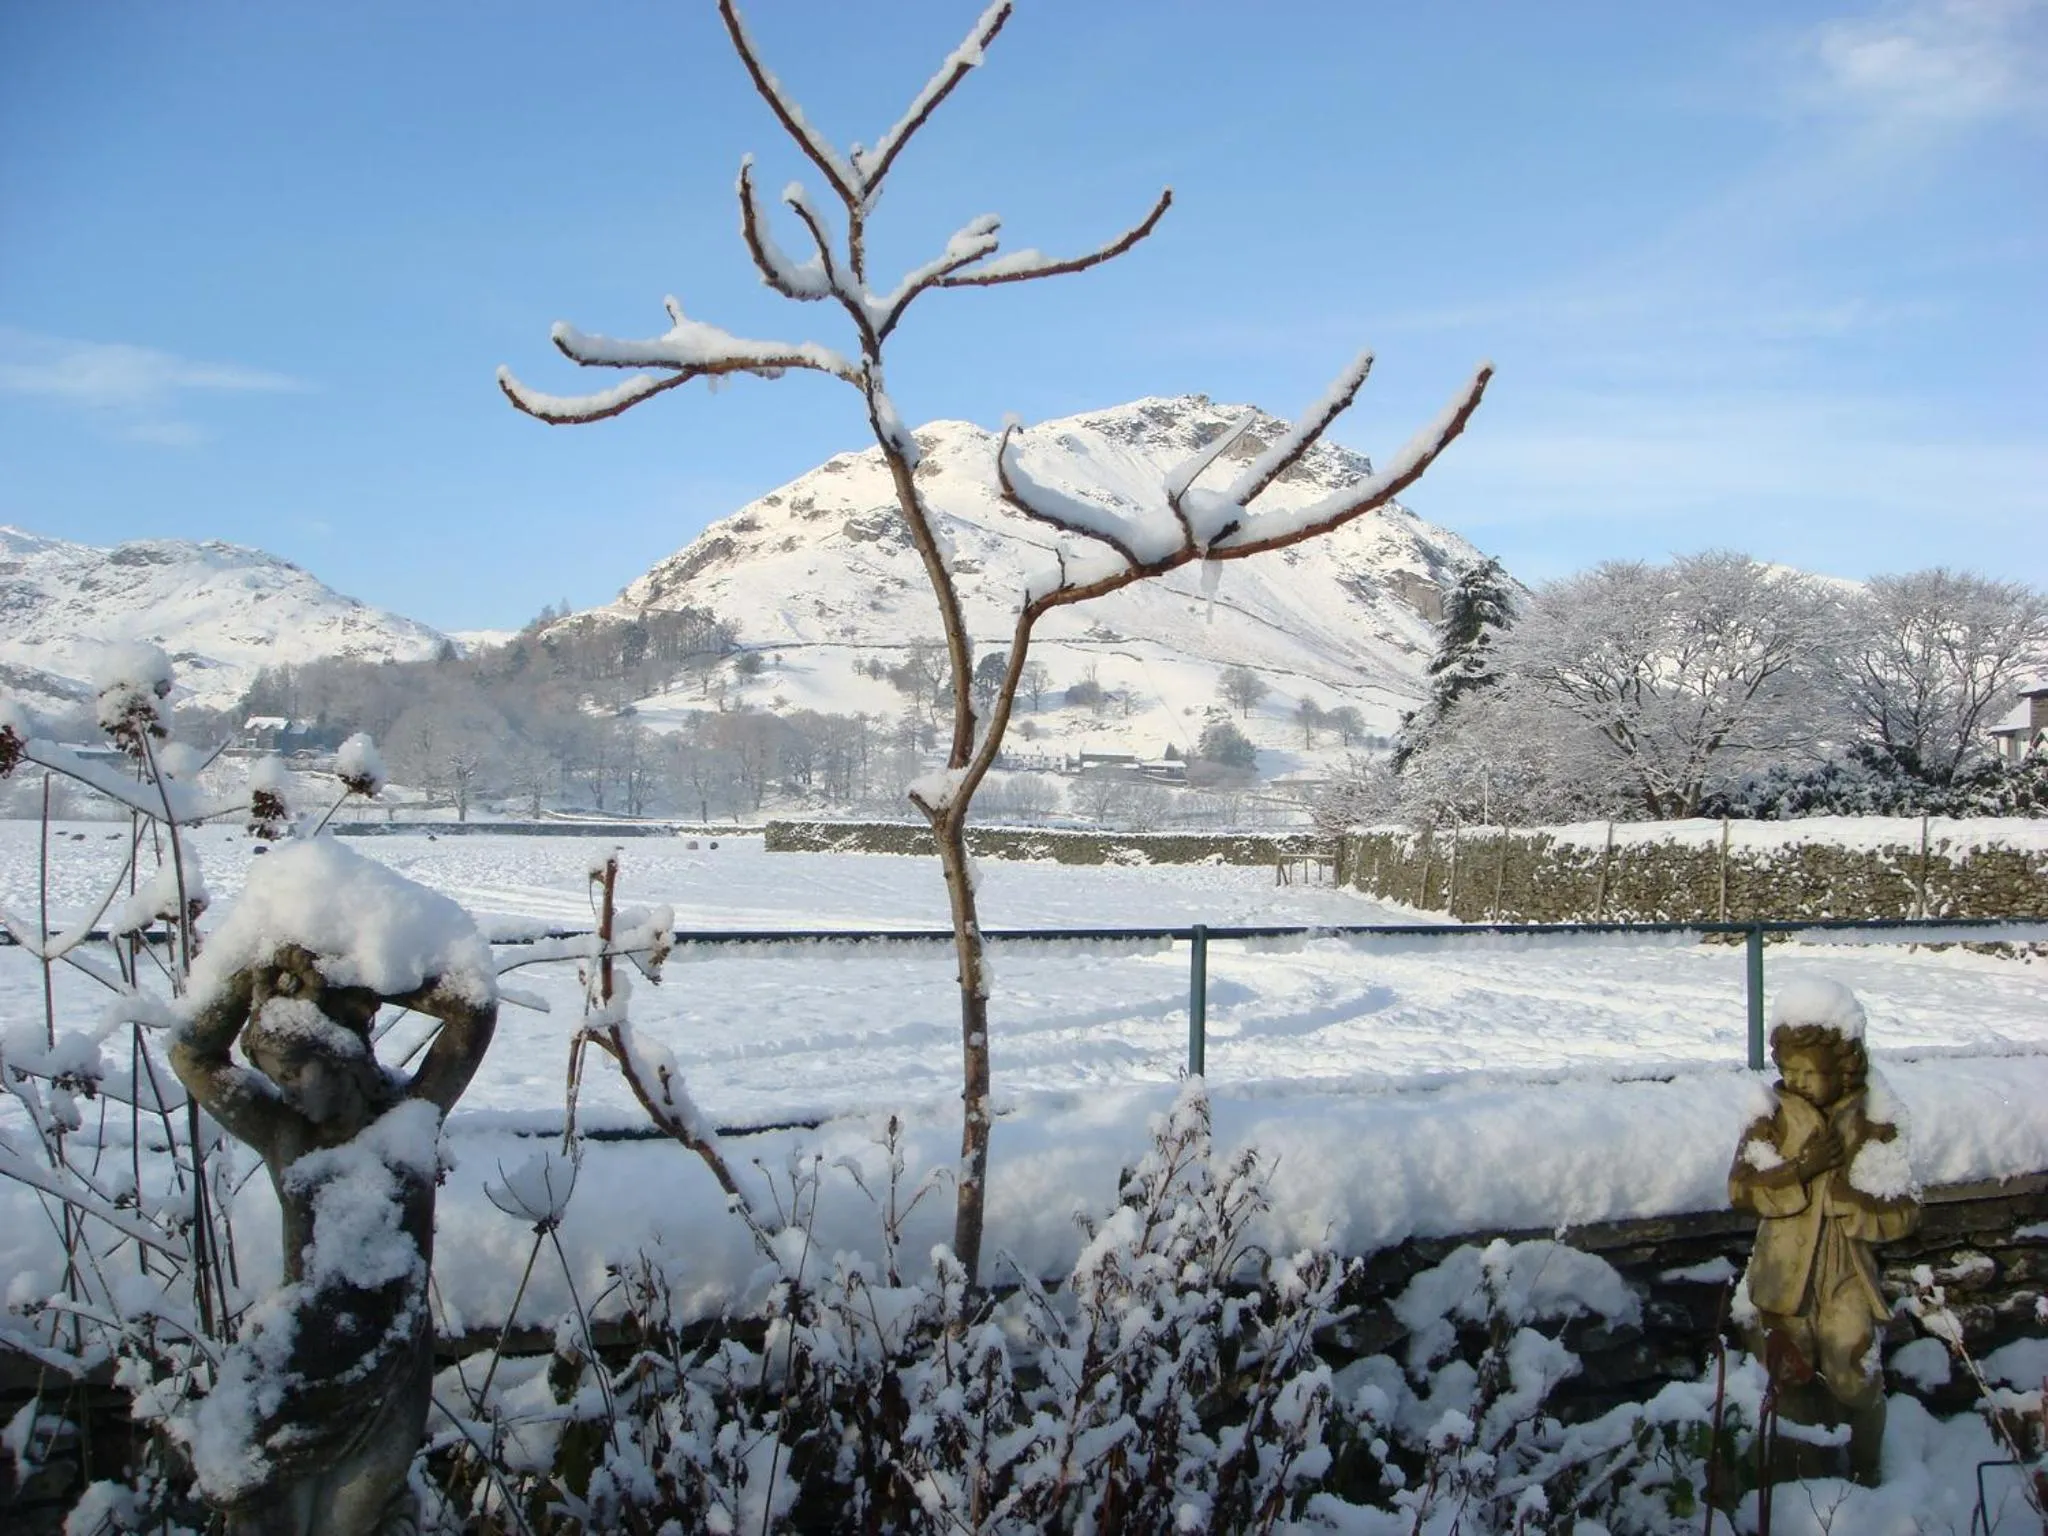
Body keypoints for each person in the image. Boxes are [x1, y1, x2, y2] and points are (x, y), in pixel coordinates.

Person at [172, 901, 495, 1534]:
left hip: (389, 1356)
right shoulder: (286, 1136)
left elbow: (472, 1010)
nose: (286, 1091)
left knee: (360, 1517)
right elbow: (192, 1055)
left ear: (342, 1054)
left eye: (295, 1073)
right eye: (276, 1077)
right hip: (302, 1360)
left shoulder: (411, 1117)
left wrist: (351, 972)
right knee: (262, 1512)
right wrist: (257, 966)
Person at [1728, 976, 1918, 1487]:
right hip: (1782, 1270)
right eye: (1789, 1071)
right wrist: (1799, 1171)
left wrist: (1851, 1202)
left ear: (1844, 1067)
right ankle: (1798, 1476)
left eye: (1810, 1073)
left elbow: (1903, 1210)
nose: (1798, 1082)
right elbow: (1741, 1190)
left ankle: (1867, 1468)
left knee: (1853, 1371)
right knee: (1786, 1373)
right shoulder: (1771, 1118)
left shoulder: (1876, 1120)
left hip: (1844, 1271)